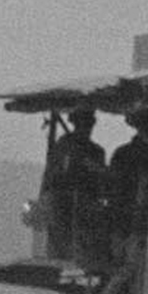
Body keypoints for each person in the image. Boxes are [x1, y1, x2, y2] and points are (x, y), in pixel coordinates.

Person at [98, 106, 148, 294]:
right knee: (131, 270)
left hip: (119, 219)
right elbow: (145, 189)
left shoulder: (121, 152)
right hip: (136, 221)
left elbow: (111, 185)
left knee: (122, 267)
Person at [38, 106, 106, 264]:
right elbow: (52, 177)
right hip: (62, 207)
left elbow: (101, 184)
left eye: (88, 124)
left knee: (79, 249)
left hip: (85, 209)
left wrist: (97, 172)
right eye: (83, 124)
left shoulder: (95, 151)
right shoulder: (63, 147)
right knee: (61, 248)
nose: (86, 128)